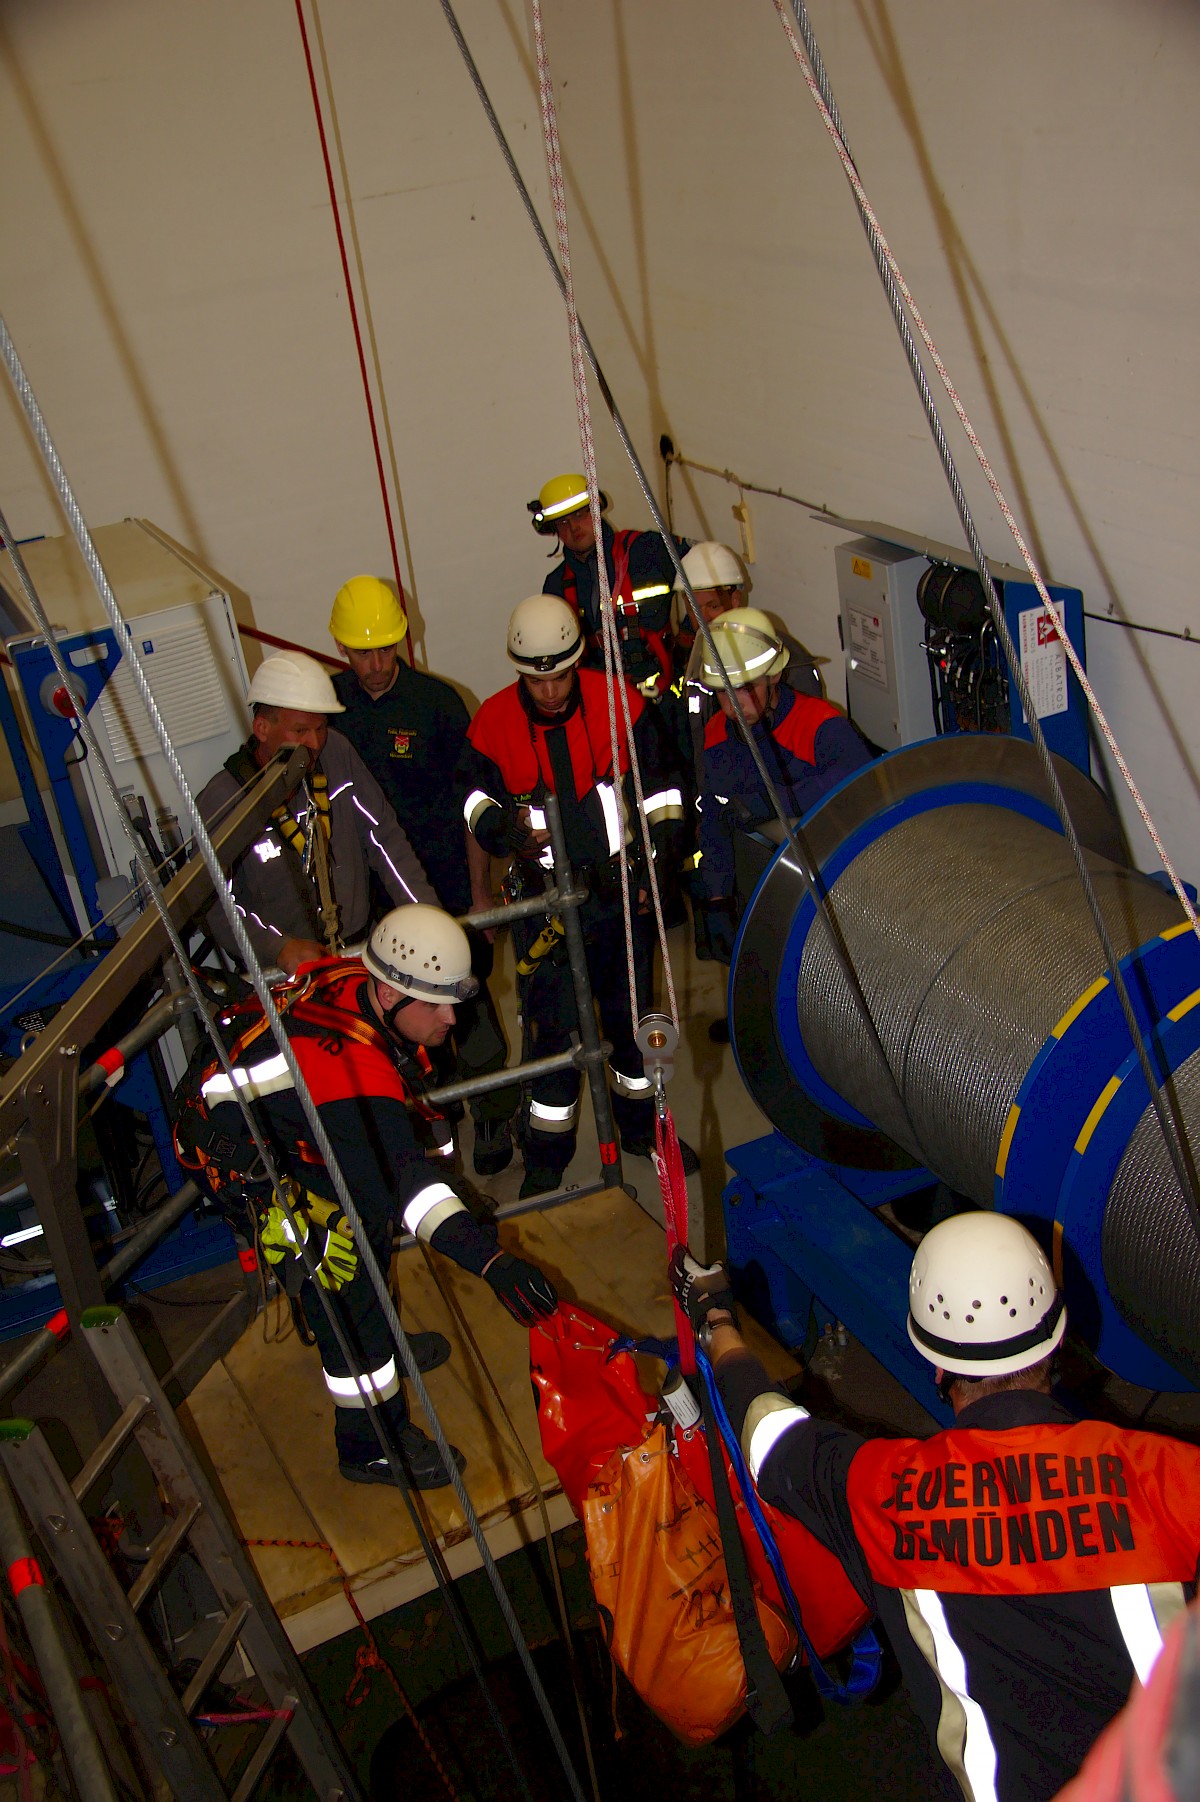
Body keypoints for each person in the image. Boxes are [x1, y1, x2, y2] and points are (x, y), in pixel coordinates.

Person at [670, 1213, 1200, 1802]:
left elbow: (770, 1439)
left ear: (940, 1366)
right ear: (1058, 1335)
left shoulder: (884, 1494)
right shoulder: (1171, 1478)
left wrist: (715, 1318)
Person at [174, 906, 559, 1490]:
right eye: (435, 1004)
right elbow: (406, 1183)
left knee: (367, 1224)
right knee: (345, 1283)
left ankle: (380, 1337)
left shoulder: (360, 982)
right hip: (242, 1160)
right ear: (388, 994)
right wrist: (489, 1260)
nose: (452, 1017)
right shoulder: (348, 1069)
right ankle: (370, 1445)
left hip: (287, 1130)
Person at [457, 594, 697, 1198]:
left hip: (616, 891)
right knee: (549, 1033)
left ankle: (642, 1132)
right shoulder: (492, 723)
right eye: (537, 680)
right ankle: (546, 1155)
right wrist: (500, 828)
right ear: (519, 671)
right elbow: (470, 798)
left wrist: (658, 867)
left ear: (578, 659)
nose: (551, 692)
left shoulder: (620, 702)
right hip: (544, 906)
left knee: (628, 1021)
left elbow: (663, 788)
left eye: (561, 676)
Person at [328, 575, 518, 1176]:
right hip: (371, 906)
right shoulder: (329, 710)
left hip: (446, 892)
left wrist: (480, 896)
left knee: (468, 1009)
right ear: (341, 650)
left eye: (388, 648)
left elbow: (472, 807)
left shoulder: (436, 704)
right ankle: (431, 1133)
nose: (379, 664)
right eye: (365, 652)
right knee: (396, 1021)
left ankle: (491, 1112)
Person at [197, 650, 436, 976]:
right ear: (262, 728)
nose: (314, 743)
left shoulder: (336, 753)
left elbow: (385, 839)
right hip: (284, 977)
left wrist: (428, 919)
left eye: (320, 728)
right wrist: (277, 948)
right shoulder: (225, 800)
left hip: (355, 954)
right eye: (300, 732)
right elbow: (215, 906)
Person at [697, 609, 871, 1040]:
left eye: (748, 689)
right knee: (758, 963)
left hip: (823, 878)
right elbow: (713, 819)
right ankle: (756, 1023)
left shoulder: (820, 725)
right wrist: (715, 897)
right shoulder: (717, 735)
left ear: (773, 677)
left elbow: (860, 782)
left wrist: (773, 803)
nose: (738, 705)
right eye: (725, 693)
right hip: (755, 876)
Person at [669, 543, 824, 960]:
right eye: (692, 606)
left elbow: (805, 758)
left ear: (736, 599)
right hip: (724, 817)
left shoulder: (778, 659)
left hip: (778, 832)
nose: (702, 619)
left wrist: (761, 804)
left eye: (712, 607)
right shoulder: (700, 656)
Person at [529, 472, 688, 702]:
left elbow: (710, 571)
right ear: (553, 529)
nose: (574, 527)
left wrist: (690, 635)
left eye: (580, 514)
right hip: (604, 708)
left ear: (596, 509)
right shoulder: (556, 586)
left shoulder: (648, 550)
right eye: (563, 522)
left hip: (665, 702)